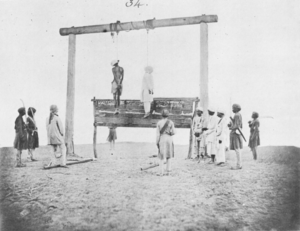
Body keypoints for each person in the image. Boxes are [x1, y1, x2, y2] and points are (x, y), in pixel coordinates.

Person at [156, 109, 176, 176]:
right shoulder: (171, 122)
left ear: (161, 115)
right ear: (168, 115)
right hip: (169, 139)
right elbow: (174, 132)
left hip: (162, 138)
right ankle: (168, 171)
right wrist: (169, 132)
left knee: (161, 156)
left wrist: (157, 142)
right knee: (169, 155)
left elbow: (158, 134)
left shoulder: (159, 123)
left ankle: (161, 172)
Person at [228, 104, 243, 170]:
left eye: (233, 108)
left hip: (235, 133)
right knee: (238, 149)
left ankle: (238, 165)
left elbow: (236, 125)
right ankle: (239, 164)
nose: (232, 109)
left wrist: (230, 127)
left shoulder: (237, 115)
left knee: (237, 149)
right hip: (237, 133)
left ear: (236, 109)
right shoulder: (239, 114)